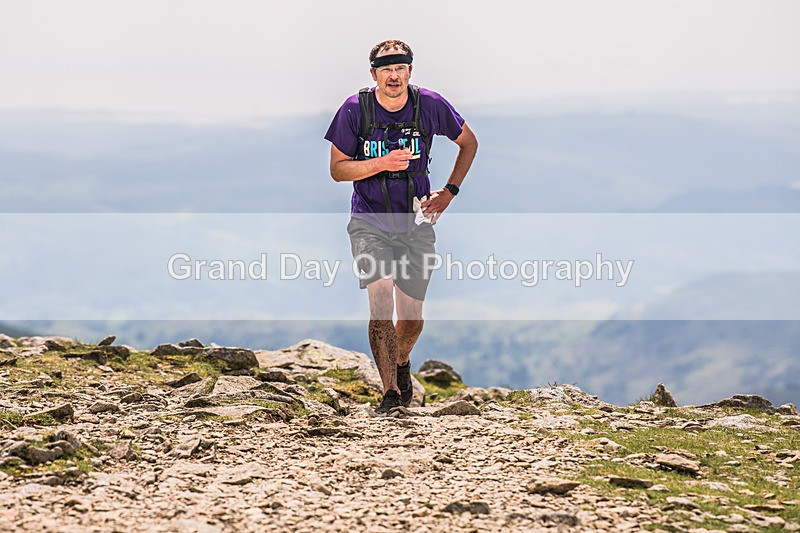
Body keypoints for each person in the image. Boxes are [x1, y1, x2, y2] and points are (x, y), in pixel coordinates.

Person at [325, 39, 478, 414]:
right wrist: (383, 163)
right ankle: (391, 393)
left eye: (400, 68)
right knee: (380, 303)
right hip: (369, 221)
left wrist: (450, 191)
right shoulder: (353, 110)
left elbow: (469, 143)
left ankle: (402, 361)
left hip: (416, 222)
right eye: (385, 68)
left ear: (410, 71)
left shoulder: (430, 105)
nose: (393, 75)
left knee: (410, 319)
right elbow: (337, 169)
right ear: (373, 73)